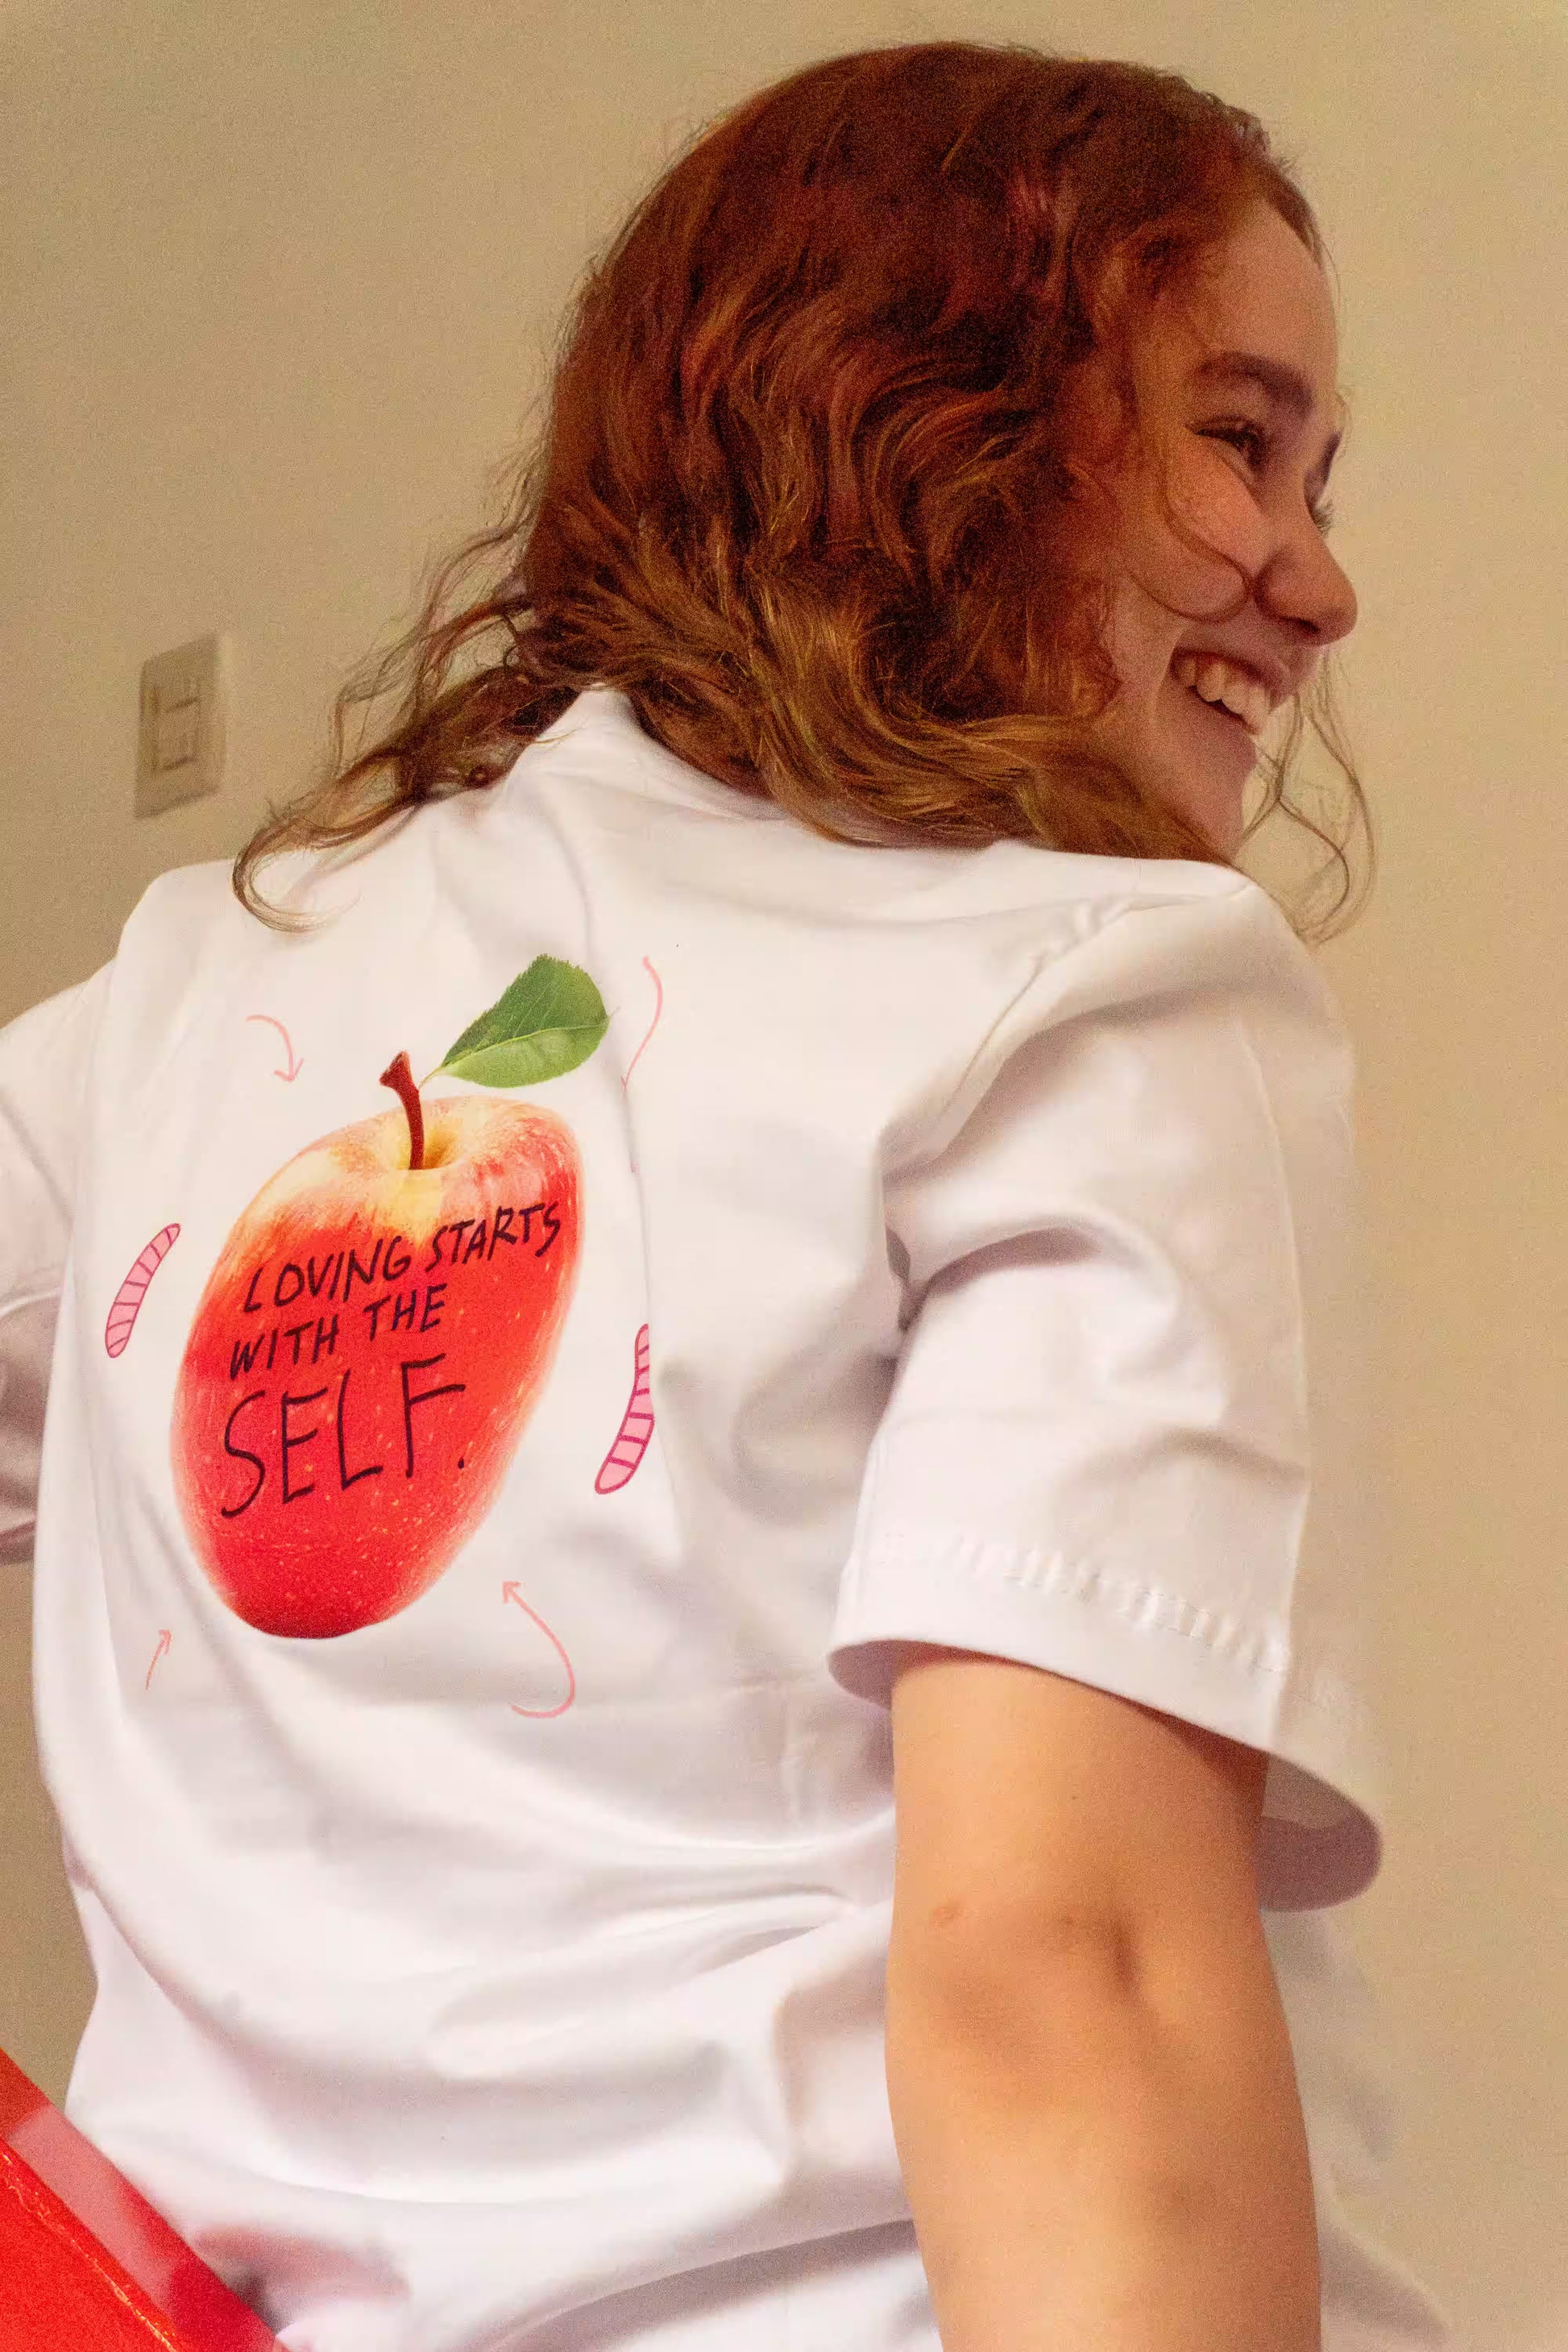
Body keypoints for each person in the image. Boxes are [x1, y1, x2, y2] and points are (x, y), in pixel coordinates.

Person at [0, 39, 1458, 2352]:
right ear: (935, 409)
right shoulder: (1100, 988)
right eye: (1237, 440)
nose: (1320, 580)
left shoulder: (195, 1004)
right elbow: (1065, 1974)